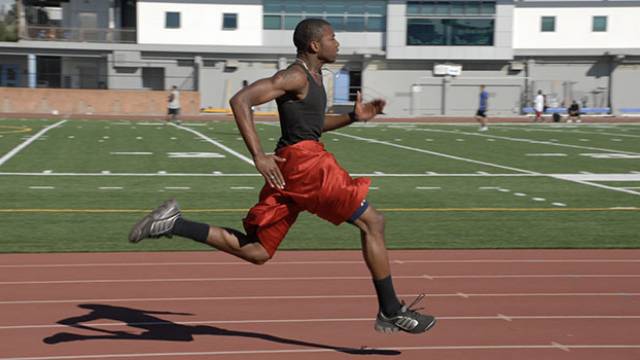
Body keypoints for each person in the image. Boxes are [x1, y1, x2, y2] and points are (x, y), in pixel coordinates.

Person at [128, 18, 436, 335]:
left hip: (294, 166)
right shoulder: (294, 76)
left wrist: (353, 117)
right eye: (333, 37)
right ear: (315, 45)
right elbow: (241, 100)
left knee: (257, 251)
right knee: (373, 222)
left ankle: (173, 222)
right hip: (306, 165)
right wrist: (258, 156)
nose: (337, 43)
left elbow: (312, 126)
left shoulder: (314, 77)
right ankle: (390, 310)